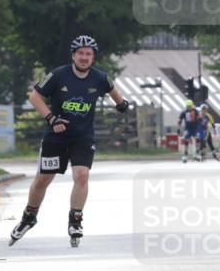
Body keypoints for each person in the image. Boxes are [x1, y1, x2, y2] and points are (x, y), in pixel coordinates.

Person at [10, 35, 130, 248]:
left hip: (83, 137)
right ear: (73, 55)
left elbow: (115, 93)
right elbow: (34, 97)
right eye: (81, 54)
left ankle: (75, 220)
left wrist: (121, 104)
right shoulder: (58, 75)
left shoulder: (100, 78)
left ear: (93, 58)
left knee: (82, 176)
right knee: (43, 180)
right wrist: (51, 117)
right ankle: (29, 217)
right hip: (56, 136)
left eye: (88, 54)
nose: (84, 58)